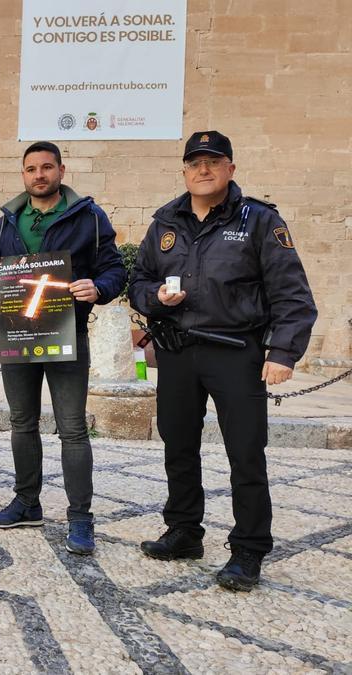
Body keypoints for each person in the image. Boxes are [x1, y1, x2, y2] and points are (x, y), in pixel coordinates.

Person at [130, 130, 317, 591]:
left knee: (246, 453)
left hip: (236, 352)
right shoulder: (165, 222)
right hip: (176, 350)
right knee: (178, 446)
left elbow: (292, 293)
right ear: (185, 171)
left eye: (214, 161)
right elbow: (138, 282)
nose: (204, 170)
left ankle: (249, 548)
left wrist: (284, 352)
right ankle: (184, 531)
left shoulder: (259, 220)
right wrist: (154, 296)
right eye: (195, 163)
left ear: (230, 168)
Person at [0, 141, 126, 555]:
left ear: (61, 170)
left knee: (73, 428)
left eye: (46, 168)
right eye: (31, 169)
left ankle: (81, 518)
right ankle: (27, 502)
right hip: (18, 335)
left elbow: (114, 268)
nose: (38, 175)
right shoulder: (7, 221)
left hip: (66, 335)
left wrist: (98, 288)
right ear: (23, 175)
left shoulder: (89, 217)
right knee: (22, 423)